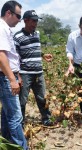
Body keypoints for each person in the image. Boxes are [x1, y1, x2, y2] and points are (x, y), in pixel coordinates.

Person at [13, 10, 53, 127]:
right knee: (22, 100)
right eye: (33, 21)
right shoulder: (17, 37)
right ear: (25, 21)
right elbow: (15, 57)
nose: (35, 23)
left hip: (39, 72)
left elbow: (33, 49)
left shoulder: (37, 34)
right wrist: (17, 75)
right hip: (25, 73)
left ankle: (46, 118)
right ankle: (21, 122)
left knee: (42, 98)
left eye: (36, 21)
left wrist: (42, 55)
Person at [0, 1, 28, 149]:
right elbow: (1, 56)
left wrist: (17, 76)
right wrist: (12, 79)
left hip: (8, 76)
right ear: (8, 13)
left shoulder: (6, 29)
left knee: (7, 114)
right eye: (18, 16)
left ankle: (6, 143)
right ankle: (21, 148)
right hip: (5, 77)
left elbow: (10, 57)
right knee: (16, 117)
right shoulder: (1, 28)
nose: (20, 20)